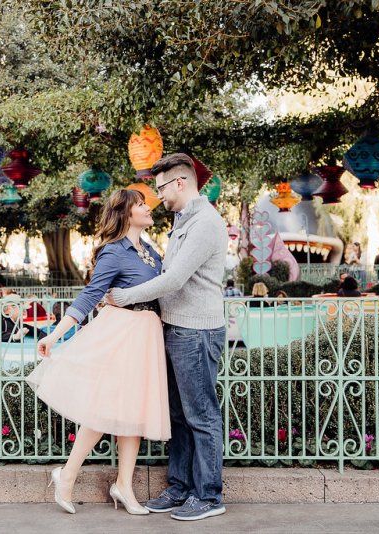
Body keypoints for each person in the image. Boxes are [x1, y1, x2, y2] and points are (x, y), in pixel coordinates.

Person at [107, 154, 229, 521]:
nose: (157, 197)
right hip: (176, 328)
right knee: (178, 415)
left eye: (160, 188)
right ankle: (179, 488)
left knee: (201, 415)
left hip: (197, 331)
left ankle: (208, 496)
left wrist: (125, 297)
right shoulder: (181, 221)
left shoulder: (205, 222)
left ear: (180, 182)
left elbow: (174, 278)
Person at [28, 189, 165, 516]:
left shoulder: (151, 251)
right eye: (142, 204)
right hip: (122, 334)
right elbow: (90, 296)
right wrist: (55, 335)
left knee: (135, 414)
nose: (149, 207)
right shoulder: (113, 252)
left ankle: (125, 487)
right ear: (127, 212)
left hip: (148, 336)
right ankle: (67, 474)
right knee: (105, 409)